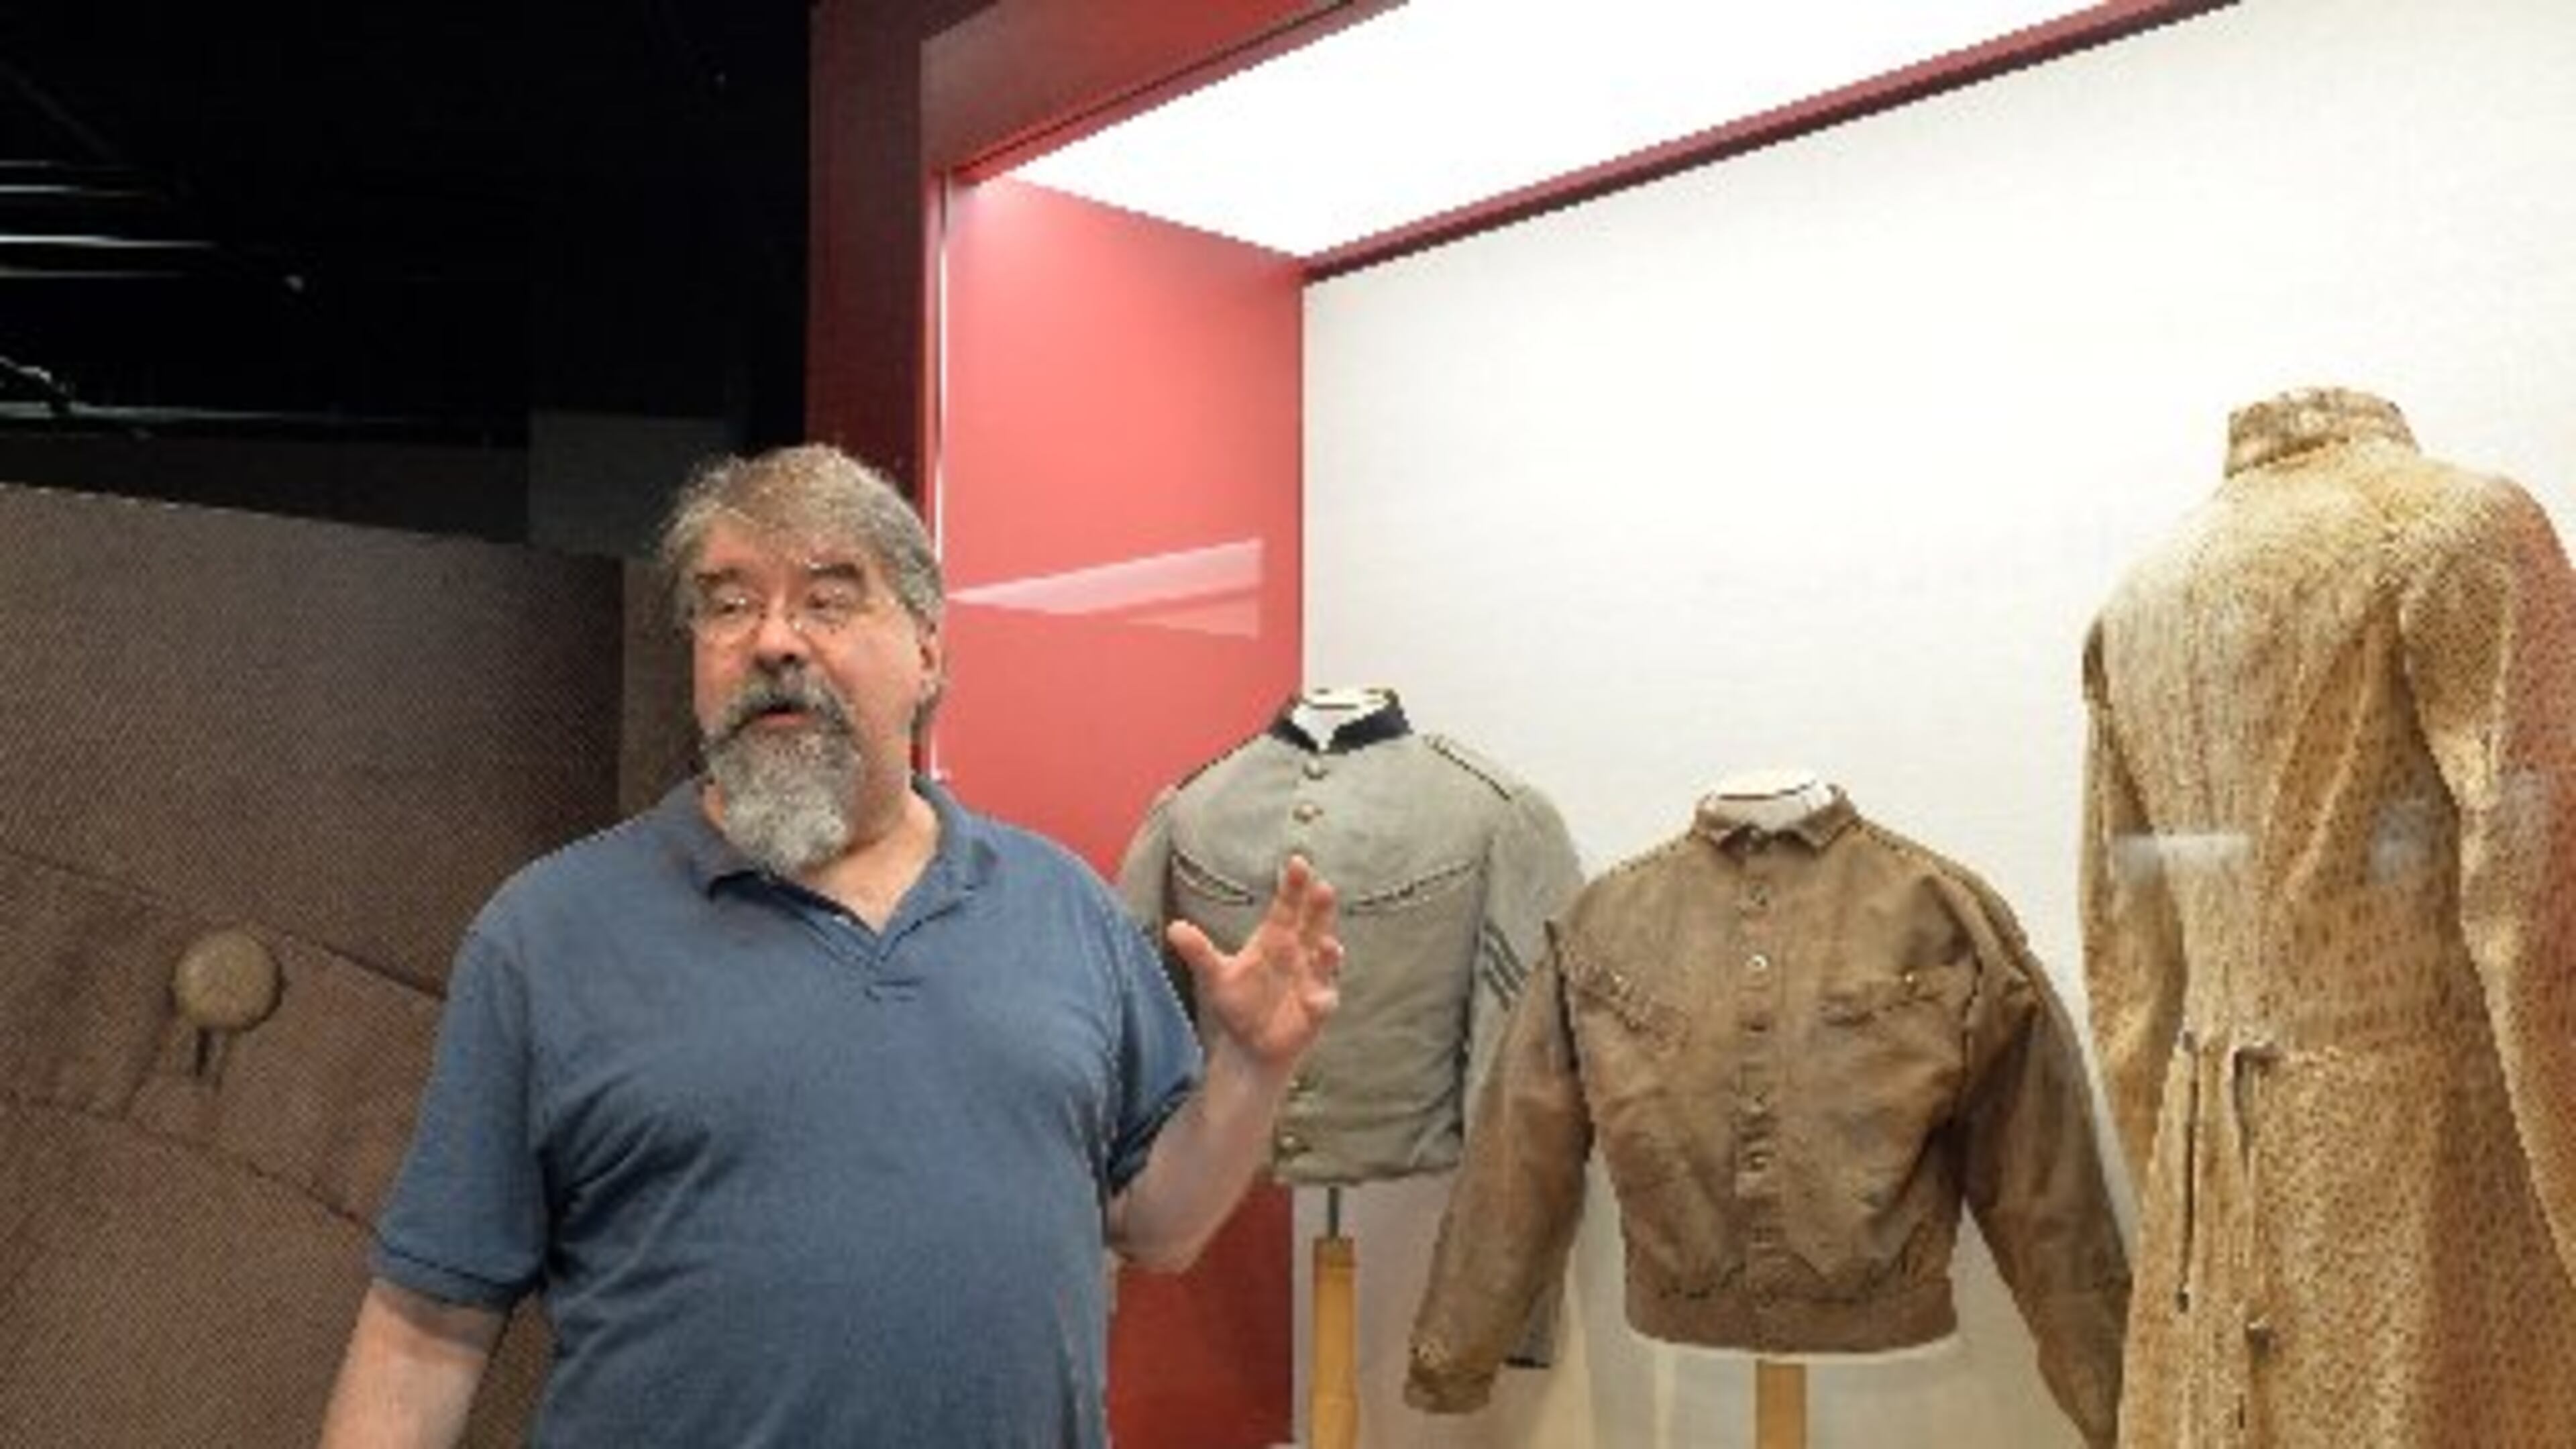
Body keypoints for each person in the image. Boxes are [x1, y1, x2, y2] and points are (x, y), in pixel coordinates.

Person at [317, 443, 1344, 1448]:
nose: (772, 640)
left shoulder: (1062, 906)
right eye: (728, 603)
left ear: (930, 651)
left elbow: (1159, 1227)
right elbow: (424, 1336)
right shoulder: (546, 935)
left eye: (828, 596)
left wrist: (1251, 1071)